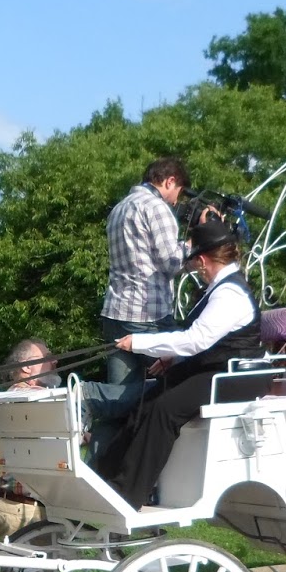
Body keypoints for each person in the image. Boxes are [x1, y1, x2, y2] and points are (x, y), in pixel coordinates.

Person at [94, 218, 260, 509]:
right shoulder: (219, 289)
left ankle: (128, 494)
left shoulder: (229, 294)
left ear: (204, 259)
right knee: (147, 400)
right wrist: (172, 357)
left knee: (164, 410)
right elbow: (203, 341)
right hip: (215, 368)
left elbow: (195, 340)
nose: (197, 269)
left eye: (196, 263)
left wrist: (140, 342)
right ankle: (104, 475)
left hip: (234, 376)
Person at [99, 156, 198, 409]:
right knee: (187, 373)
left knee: (118, 400)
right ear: (170, 181)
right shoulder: (156, 208)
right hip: (147, 314)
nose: (178, 199)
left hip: (115, 313)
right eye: (179, 191)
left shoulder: (119, 209)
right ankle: (91, 395)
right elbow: (171, 263)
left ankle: (99, 427)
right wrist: (192, 246)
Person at [0, 339, 57, 538]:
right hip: (24, 509)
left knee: (17, 569)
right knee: (36, 570)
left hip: (8, 504)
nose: (55, 361)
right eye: (47, 357)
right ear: (26, 366)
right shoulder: (31, 395)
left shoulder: (11, 395)